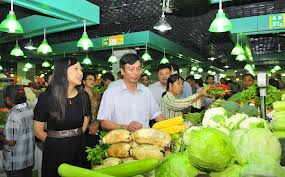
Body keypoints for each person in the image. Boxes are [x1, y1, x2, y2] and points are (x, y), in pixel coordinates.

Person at [33, 57, 91, 177]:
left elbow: (85, 121)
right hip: (55, 152)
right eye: (76, 69)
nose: (81, 73)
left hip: (79, 148)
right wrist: (55, 143)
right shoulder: (47, 98)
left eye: (81, 69)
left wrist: (75, 138)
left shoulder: (83, 96)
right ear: (63, 71)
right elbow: (38, 131)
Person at [97, 53, 165, 131]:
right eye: (131, 69)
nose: (136, 73)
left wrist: (174, 126)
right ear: (122, 71)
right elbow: (104, 122)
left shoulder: (146, 92)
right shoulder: (111, 93)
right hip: (122, 140)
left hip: (144, 140)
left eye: (138, 69)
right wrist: (126, 127)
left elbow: (157, 115)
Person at [0, 85, 34, 177]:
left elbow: (11, 142)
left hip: (15, 163)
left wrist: (1, 137)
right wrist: (3, 129)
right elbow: (22, 129)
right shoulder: (29, 109)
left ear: (8, 99)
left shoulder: (14, 114)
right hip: (27, 160)